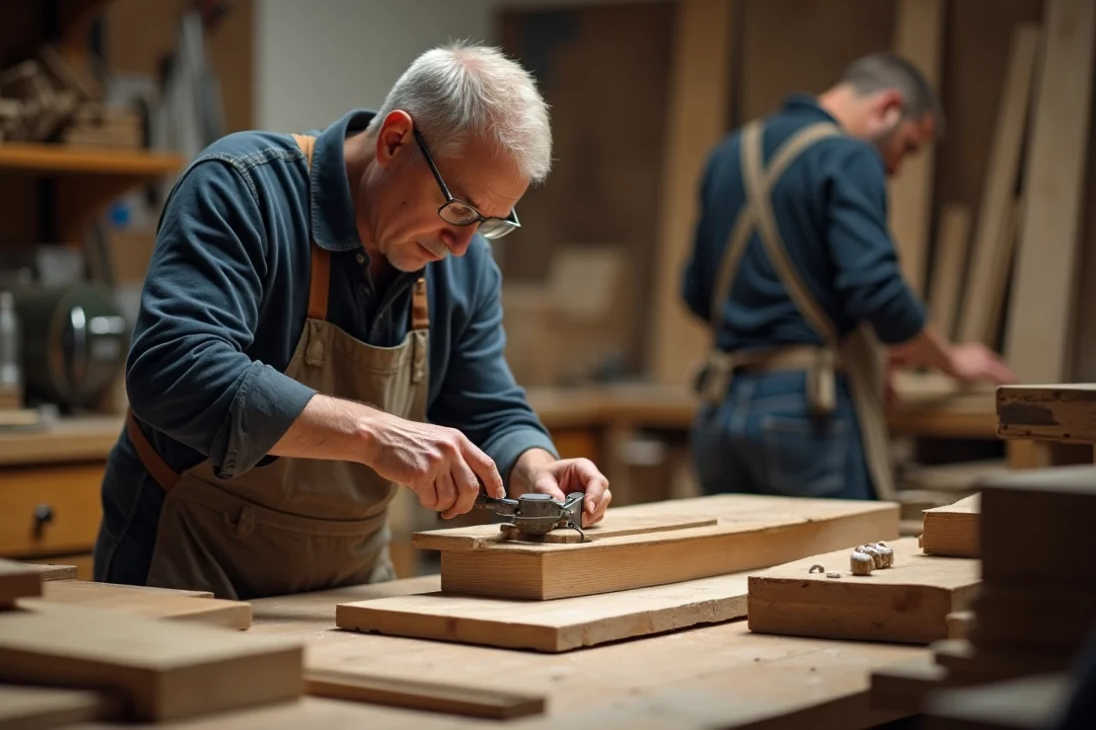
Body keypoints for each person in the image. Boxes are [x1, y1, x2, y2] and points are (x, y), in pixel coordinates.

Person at [94, 42, 612, 600]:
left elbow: (484, 404)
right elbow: (173, 368)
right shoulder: (241, 188)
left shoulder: (461, 267)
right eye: (459, 209)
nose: (463, 246)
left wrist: (532, 467)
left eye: (488, 222)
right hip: (188, 575)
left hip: (347, 588)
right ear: (394, 140)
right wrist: (374, 433)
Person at [681, 51, 1015, 501]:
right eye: (908, 147)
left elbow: (695, 293)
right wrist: (950, 359)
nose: (895, 169)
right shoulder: (849, 156)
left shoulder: (727, 154)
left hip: (720, 409)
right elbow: (879, 293)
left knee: (731, 570)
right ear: (888, 108)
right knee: (840, 569)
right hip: (806, 412)